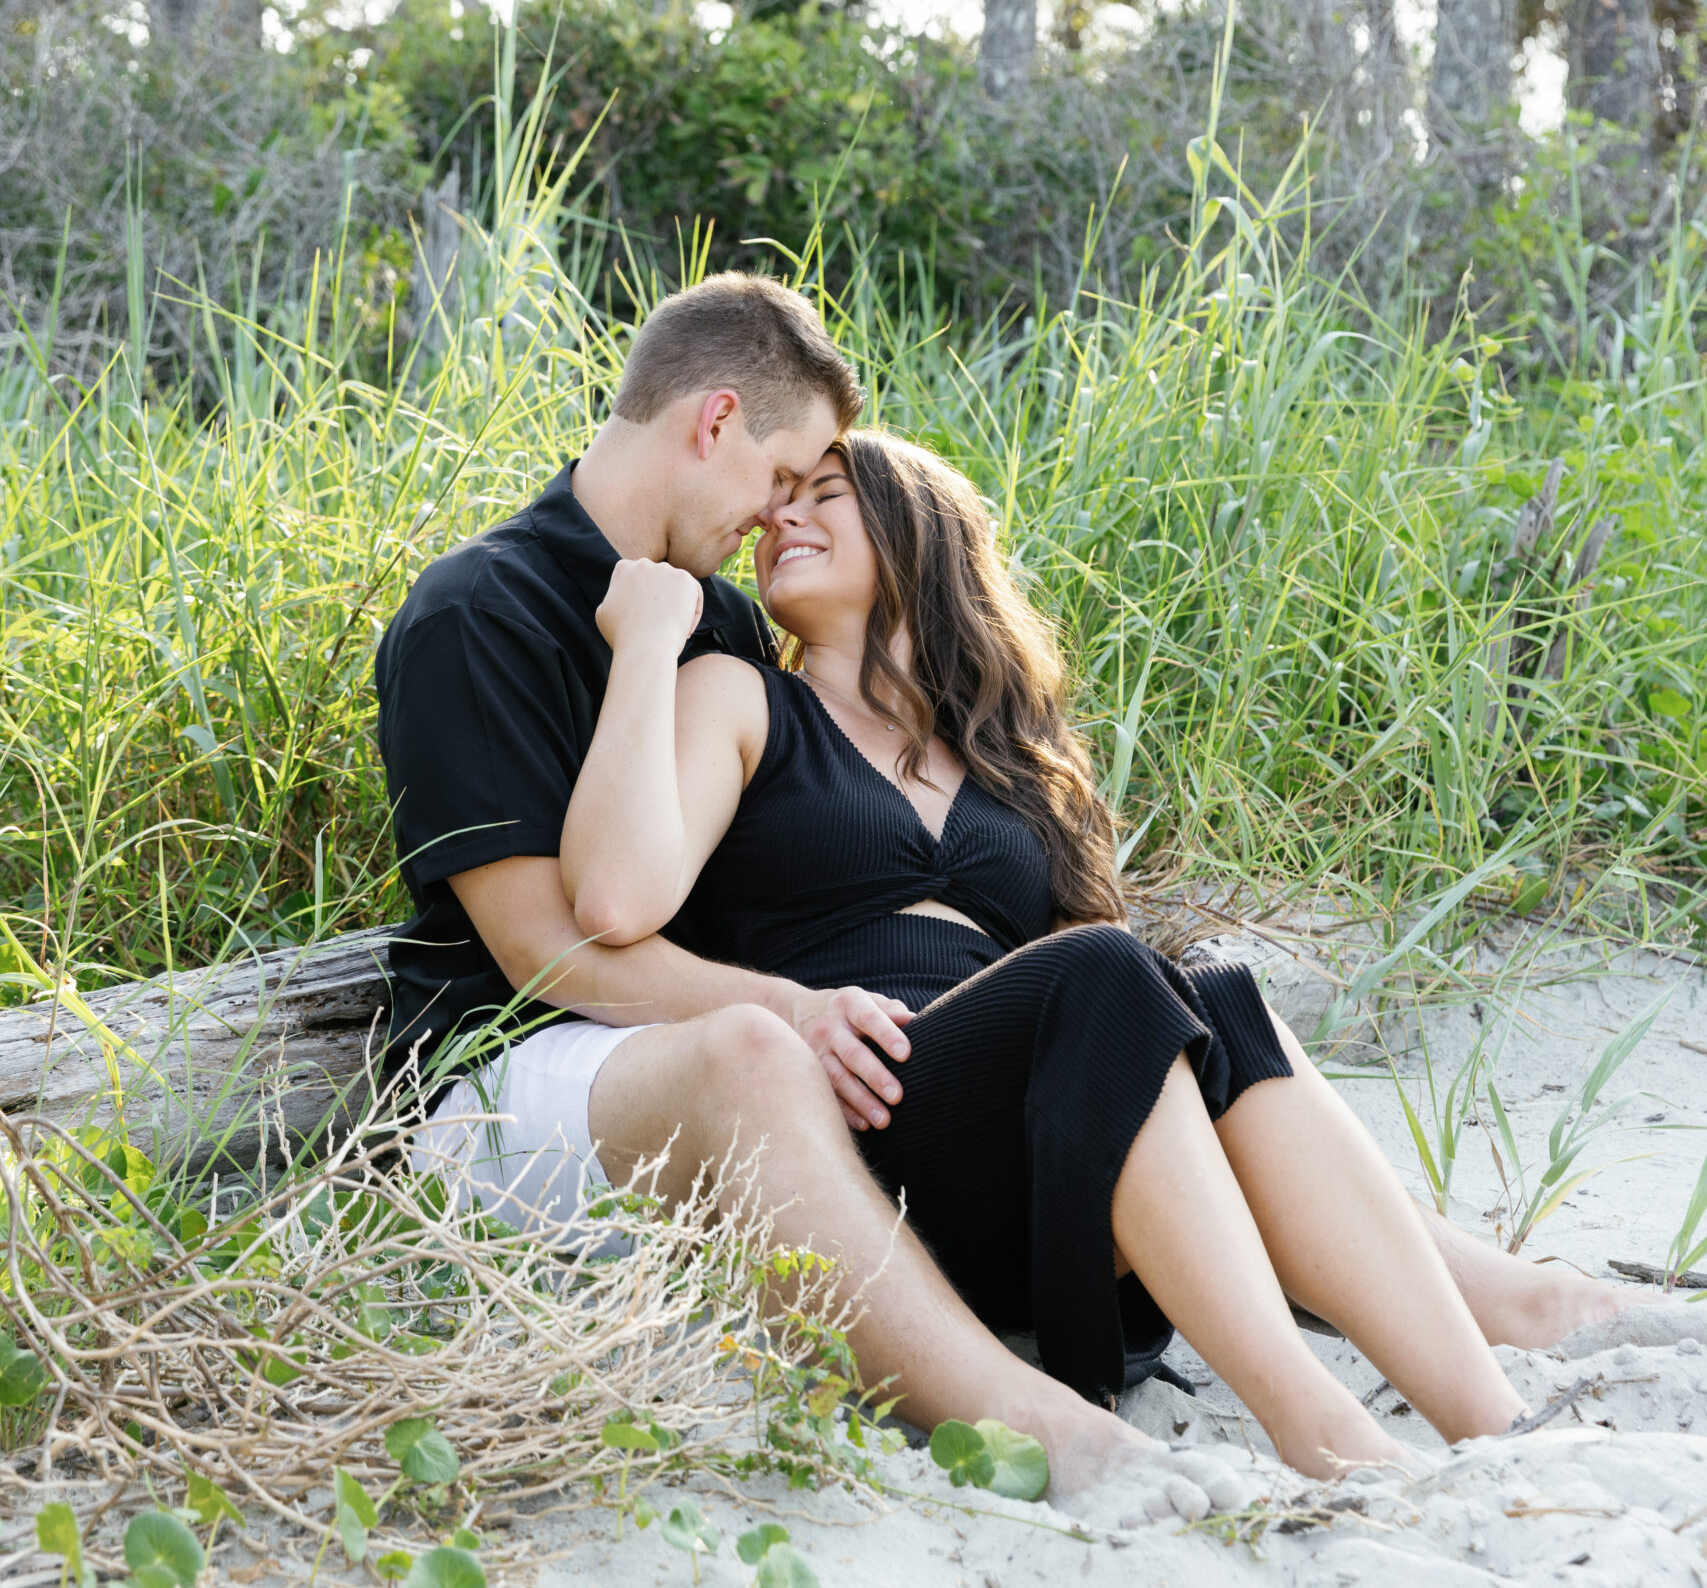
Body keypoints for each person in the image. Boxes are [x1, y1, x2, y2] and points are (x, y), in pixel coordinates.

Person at [559, 427, 1643, 1481]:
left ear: (912, 531)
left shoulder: (1003, 759)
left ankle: (1493, 1419)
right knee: (1111, 967)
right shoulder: (747, 700)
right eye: (775, 501)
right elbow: (614, 897)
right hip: (865, 1136)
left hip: (1036, 1179)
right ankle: (1326, 1429)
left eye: (823, 492)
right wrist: (652, 644)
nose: (780, 512)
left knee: (1216, 997)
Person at [375, 273, 1192, 1507]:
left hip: (702, 1069)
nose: (776, 518)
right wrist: (803, 1006)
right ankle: (1047, 1432)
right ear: (714, 422)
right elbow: (550, 956)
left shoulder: (729, 628)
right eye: (781, 473)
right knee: (757, 1047)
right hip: (501, 1079)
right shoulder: (478, 612)